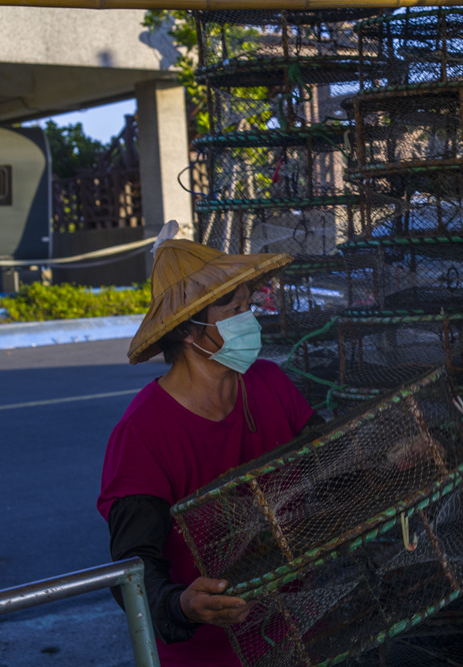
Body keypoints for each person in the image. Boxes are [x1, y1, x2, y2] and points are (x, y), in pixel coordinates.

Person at [97, 232, 323, 666]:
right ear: (187, 329)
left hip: (299, 630)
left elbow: (331, 460)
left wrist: (389, 458)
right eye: (232, 310)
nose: (248, 320)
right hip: (209, 654)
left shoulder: (270, 383)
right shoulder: (143, 433)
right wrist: (182, 604)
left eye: (248, 306)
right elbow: (132, 567)